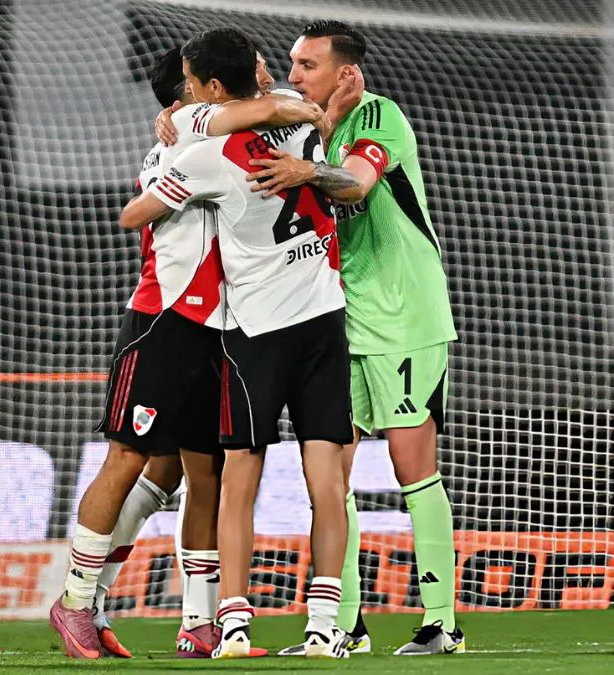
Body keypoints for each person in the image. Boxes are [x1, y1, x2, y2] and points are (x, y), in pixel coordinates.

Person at [122, 27, 361, 659]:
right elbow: (326, 152)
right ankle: (324, 627)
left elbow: (132, 215)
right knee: (327, 481)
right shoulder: (299, 116)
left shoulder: (204, 152)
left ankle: (231, 626)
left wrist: (175, 174)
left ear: (208, 88)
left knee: (238, 483)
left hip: (252, 330)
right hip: (321, 317)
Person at [248, 19, 463, 656]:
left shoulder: (378, 117)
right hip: (338, 320)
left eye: (307, 65)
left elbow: (357, 184)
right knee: (329, 470)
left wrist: (307, 169)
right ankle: (343, 625)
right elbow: (229, 108)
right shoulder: (308, 123)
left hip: (403, 315)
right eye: (292, 63)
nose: (294, 75)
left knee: (411, 466)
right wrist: (173, 116)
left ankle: (441, 623)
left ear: (345, 72)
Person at [91, 44, 301, 660]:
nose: (267, 75)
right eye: (257, 65)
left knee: (182, 471)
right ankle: (88, 597)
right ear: (195, 92)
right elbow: (133, 213)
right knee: (155, 464)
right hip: (175, 319)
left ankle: (194, 622)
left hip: (215, 323)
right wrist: (307, 109)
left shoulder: (201, 127)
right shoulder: (196, 132)